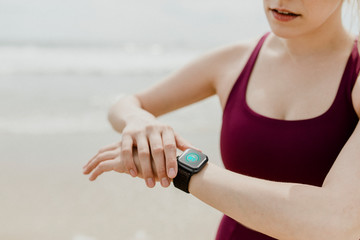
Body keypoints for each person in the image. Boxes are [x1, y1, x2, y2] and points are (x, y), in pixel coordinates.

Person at [83, 0, 360, 239]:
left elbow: (336, 222)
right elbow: (124, 105)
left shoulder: (355, 73)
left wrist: (181, 166)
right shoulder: (234, 60)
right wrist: (139, 120)